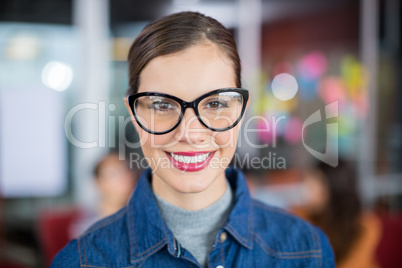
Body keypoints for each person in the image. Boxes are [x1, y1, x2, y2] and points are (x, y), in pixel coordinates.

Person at [52, 11, 334, 267]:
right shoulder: (82, 262)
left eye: (215, 104)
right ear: (134, 116)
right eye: (162, 105)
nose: (189, 133)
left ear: (241, 112)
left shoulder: (306, 251)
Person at [299, 160, 381, 268]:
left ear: (334, 188)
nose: (305, 191)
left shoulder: (365, 225)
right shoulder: (301, 216)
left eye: (312, 185)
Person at [69, 152, 138, 239]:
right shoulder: (87, 227)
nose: (124, 178)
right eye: (114, 173)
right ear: (98, 182)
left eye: (126, 171)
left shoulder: (141, 214)